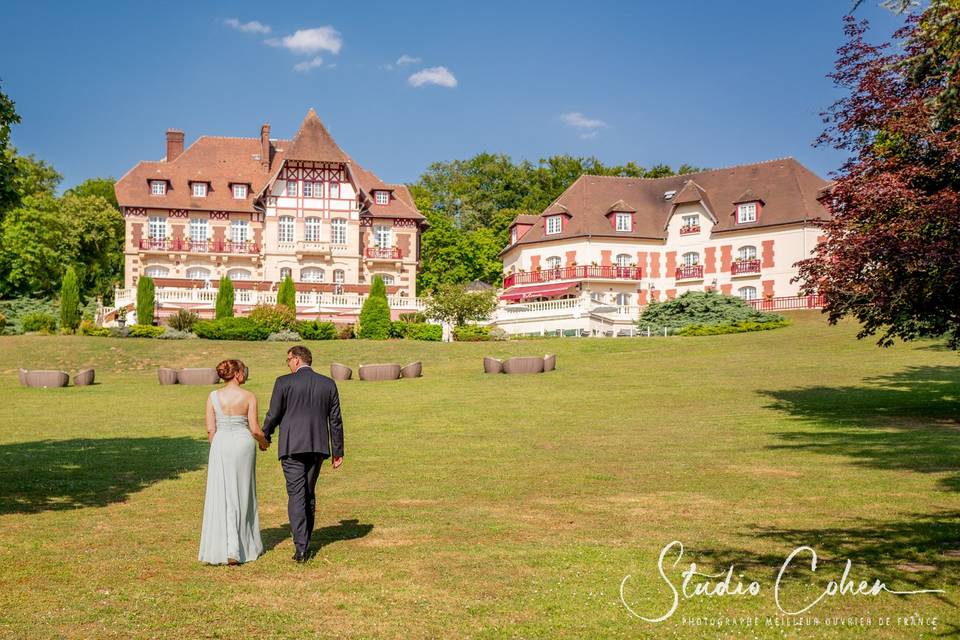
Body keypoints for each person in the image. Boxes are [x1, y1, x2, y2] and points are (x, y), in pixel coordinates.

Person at [263, 345, 344, 563]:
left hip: (292, 447)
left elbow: (274, 414)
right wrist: (338, 451)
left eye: (288, 359)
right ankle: (304, 540)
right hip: (318, 446)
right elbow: (335, 420)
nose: (288, 363)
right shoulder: (328, 383)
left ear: (297, 360)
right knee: (308, 492)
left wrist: (265, 435)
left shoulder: (283, 382)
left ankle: (301, 547)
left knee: (297, 494)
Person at [198, 360, 269, 565]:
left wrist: (218, 447)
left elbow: (211, 429)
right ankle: (241, 546)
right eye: (243, 371)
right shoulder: (248, 396)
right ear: (237, 374)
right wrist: (264, 443)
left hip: (220, 444)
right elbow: (255, 429)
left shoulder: (213, 397)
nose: (245, 374)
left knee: (223, 493)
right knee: (243, 491)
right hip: (242, 444)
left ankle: (225, 546)